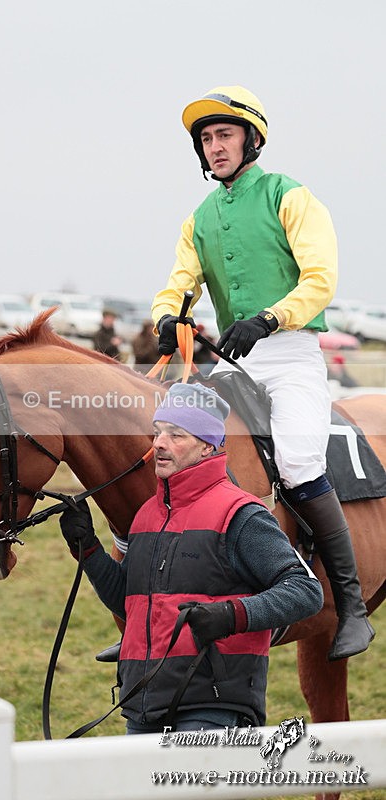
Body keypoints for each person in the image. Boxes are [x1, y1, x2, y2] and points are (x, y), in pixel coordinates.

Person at [151, 85, 374, 661]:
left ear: (251, 139)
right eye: (206, 139)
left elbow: (320, 278)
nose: (214, 146)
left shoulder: (289, 196)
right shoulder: (199, 217)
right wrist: (165, 316)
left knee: (298, 461)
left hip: (291, 353)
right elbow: (179, 282)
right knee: (168, 450)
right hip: (232, 362)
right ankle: (148, 605)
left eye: (224, 135)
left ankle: (349, 605)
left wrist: (270, 319)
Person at [60, 383, 323, 734]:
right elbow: (131, 603)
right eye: (157, 432)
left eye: (176, 434)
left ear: (207, 446)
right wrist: (88, 549)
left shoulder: (242, 513)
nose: (159, 444)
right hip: (141, 705)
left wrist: (230, 615)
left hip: (211, 708)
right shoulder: (147, 515)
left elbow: (306, 591)